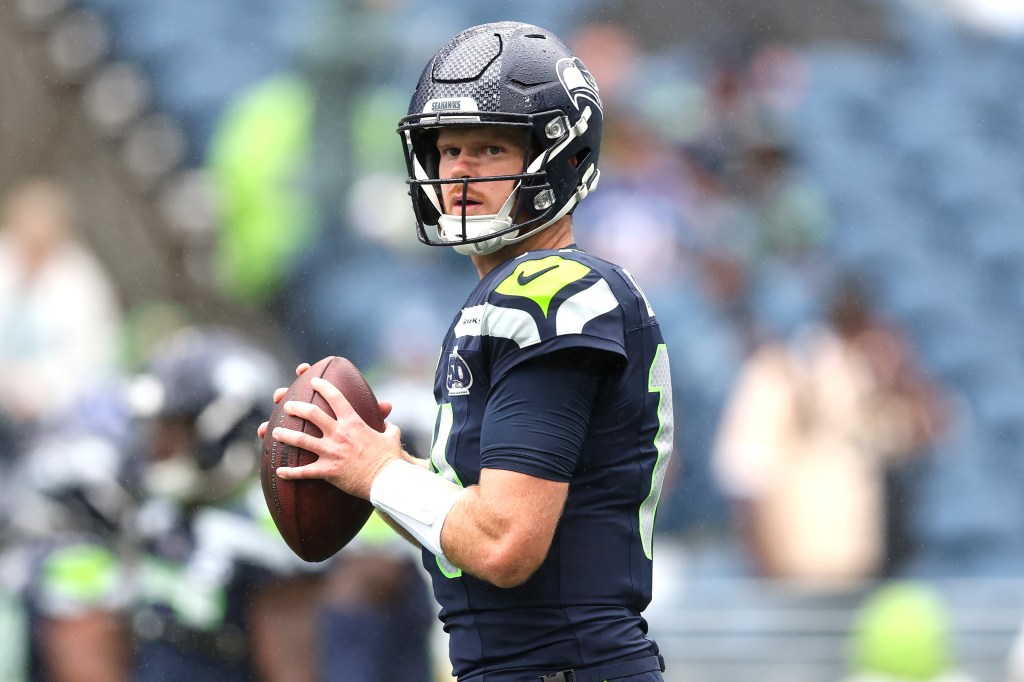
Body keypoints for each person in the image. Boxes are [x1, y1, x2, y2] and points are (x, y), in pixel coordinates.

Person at [260, 21, 673, 682]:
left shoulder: (548, 293)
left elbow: (506, 543)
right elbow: (472, 538)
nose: (457, 172)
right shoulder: (508, 295)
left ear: (563, 156)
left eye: (487, 148)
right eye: (446, 149)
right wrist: (374, 465)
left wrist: (379, 473)